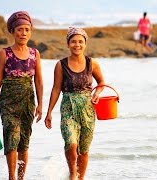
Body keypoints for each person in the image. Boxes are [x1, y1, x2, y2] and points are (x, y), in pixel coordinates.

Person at [0, 11, 43, 180]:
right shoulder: (4, 53)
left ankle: (21, 178)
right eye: (20, 29)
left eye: (27, 30)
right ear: (13, 31)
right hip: (8, 102)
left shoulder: (34, 54)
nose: (23, 33)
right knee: (11, 137)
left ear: (30, 32)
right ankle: (11, 177)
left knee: (24, 141)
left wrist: (41, 105)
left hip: (28, 102)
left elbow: (39, 81)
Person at [43, 27, 105, 180]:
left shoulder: (92, 63)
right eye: (73, 42)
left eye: (80, 41)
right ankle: (72, 174)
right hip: (68, 108)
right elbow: (56, 89)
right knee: (71, 143)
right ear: (68, 44)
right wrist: (49, 112)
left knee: (84, 149)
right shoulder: (61, 65)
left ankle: (81, 177)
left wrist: (96, 93)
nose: (77, 45)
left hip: (87, 110)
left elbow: (102, 82)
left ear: (85, 43)